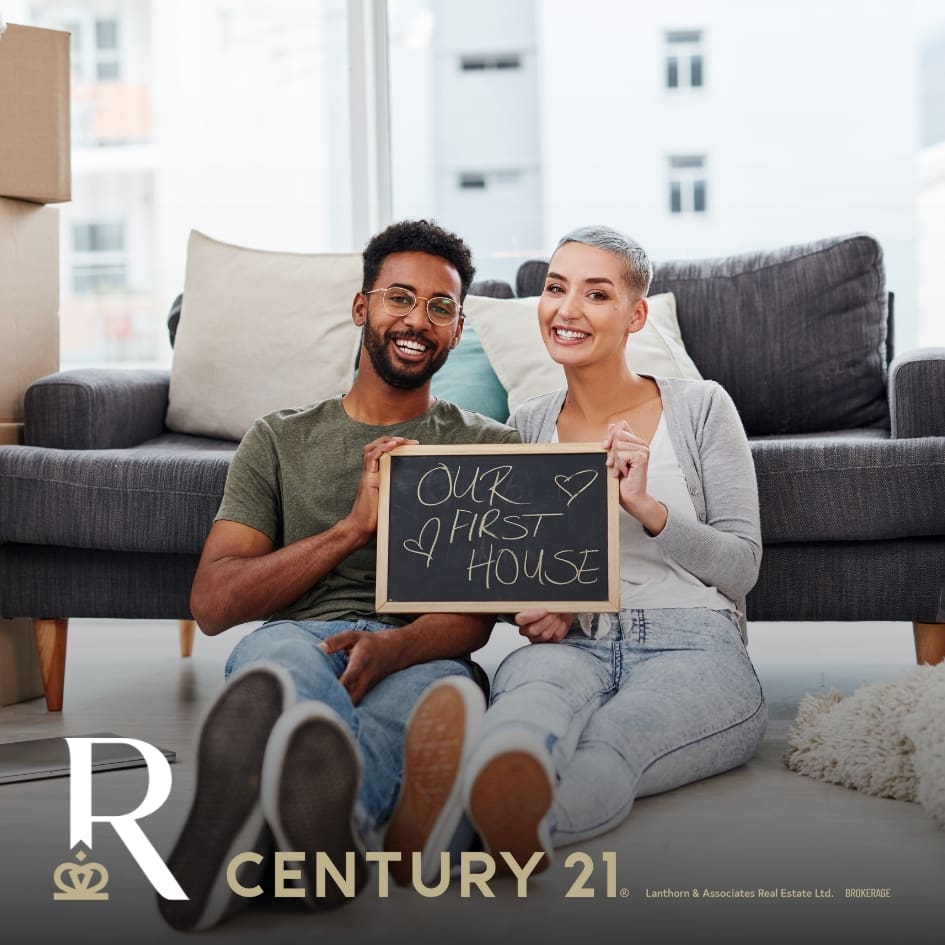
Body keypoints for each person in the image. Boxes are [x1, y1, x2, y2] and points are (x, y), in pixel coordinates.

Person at [158, 219, 519, 931]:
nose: (418, 320)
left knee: (432, 706)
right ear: (362, 308)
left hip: (421, 647)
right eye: (399, 298)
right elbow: (214, 601)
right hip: (300, 637)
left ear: (455, 330)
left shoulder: (488, 445)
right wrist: (353, 527)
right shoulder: (279, 438)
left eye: (440, 307)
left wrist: (392, 648)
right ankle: (327, 837)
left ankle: (276, 837)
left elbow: (478, 618)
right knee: (280, 677)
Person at [451, 224, 768, 871]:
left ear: (635, 314)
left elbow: (741, 566)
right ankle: (447, 821)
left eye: (595, 294)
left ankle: (502, 837)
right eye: (554, 288)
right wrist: (538, 602)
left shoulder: (701, 407)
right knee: (519, 720)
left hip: (693, 640)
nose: (566, 310)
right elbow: (520, 565)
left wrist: (646, 508)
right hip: (572, 642)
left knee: (609, 745)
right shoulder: (527, 425)